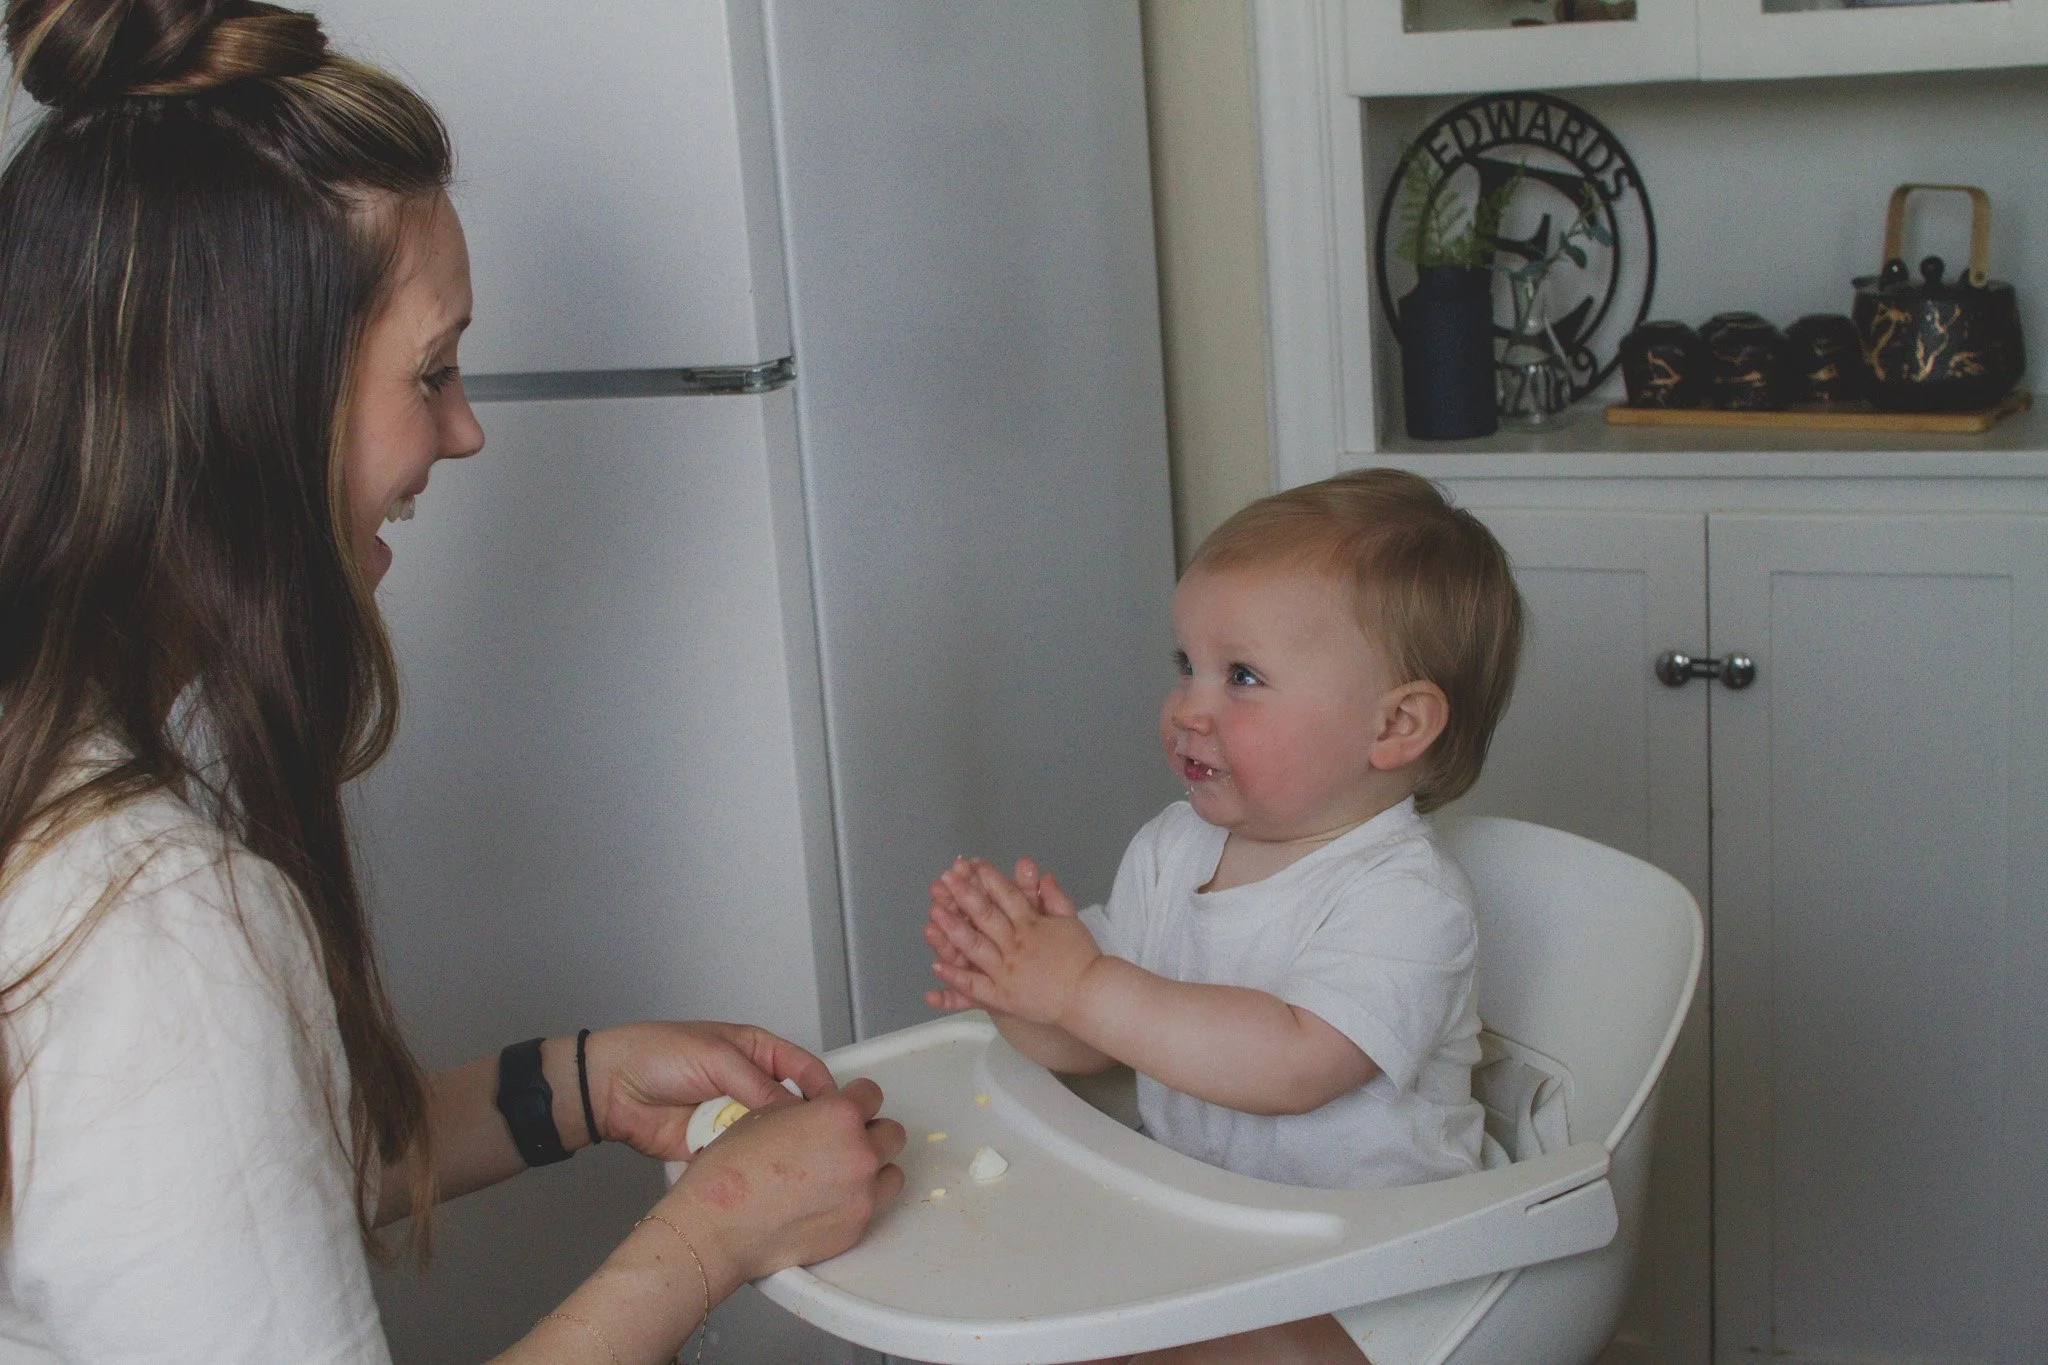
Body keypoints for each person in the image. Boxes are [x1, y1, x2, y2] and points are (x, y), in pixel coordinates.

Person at [0, 2, 905, 1362]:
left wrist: (577, 1084)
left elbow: (183, 1193)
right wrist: (712, 1238)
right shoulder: (158, 924)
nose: (466, 431)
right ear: (244, 402)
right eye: (429, 371)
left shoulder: (54, 763)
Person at [923, 469, 1525, 1363]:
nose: (1188, 708)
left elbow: (1295, 1062)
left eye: (1241, 675)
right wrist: (1019, 984)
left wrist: (1082, 984)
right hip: (1210, 1235)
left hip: (1377, 1271)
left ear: (1395, 725)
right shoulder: (1173, 847)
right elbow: (1098, 1044)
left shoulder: (1406, 897)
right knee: (1031, 1312)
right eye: (1186, 666)